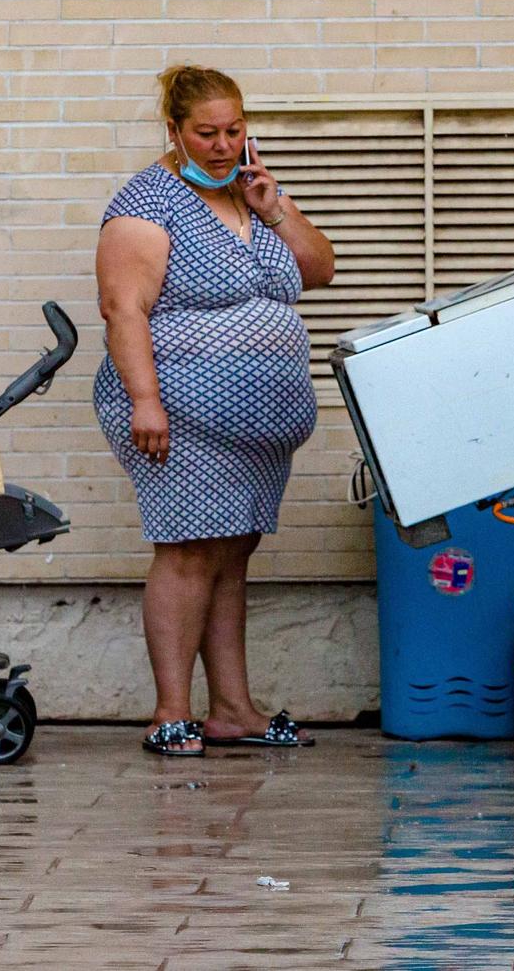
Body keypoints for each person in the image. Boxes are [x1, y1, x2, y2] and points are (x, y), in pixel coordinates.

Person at [94, 64, 337, 757]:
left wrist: (274, 205)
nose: (224, 144)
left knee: (231, 552)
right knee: (189, 549)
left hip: (255, 429)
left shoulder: (249, 193)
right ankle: (171, 711)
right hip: (176, 412)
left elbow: (319, 269)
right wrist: (146, 399)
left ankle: (233, 708)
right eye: (207, 132)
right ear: (174, 131)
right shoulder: (147, 203)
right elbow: (123, 308)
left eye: (234, 130)